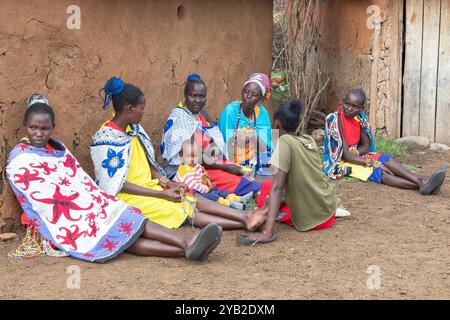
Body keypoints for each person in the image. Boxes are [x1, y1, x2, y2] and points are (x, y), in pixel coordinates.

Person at [5, 95, 223, 262]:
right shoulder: (19, 158)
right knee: (116, 237)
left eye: (44, 128)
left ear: (53, 129)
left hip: (89, 202)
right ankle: (185, 246)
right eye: (33, 127)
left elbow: (79, 180)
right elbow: (37, 195)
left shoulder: (59, 150)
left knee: (127, 215)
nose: (39, 133)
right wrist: (78, 205)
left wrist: (92, 200)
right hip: (67, 216)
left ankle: (187, 243)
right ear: (26, 126)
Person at [91, 77, 268, 233]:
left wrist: (168, 183)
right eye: (141, 109)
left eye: (201, 96)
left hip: (153, 185)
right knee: (185, 208)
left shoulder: (134, 130)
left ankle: (245, 216)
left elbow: (151, 166)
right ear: (129, 109)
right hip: (130, 194)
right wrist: (162, 193)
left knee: (191, 197)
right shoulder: (106, 138)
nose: (143, 113)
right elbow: (115, 184)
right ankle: (244, 220)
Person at [238, 100, 346, 245]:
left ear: (276, 124)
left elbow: (277, 188)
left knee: (266, 193)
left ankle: (262, 216)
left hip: (315, 219)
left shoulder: (285, 142)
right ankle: (263, 212)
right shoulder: (308, 139)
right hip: (327, 208)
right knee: (267, 187)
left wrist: (267, 232)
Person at [323, 88, 446, 195]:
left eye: (354, 106)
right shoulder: (335, 120)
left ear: (361, 108)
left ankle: (423, 181)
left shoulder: (360, 119)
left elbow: (366, 147)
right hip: (340, 161)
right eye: (347, 104)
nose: (349, 108)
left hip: (355, 154)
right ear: (343, 102)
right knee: (379, 172)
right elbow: (345, 155)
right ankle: (422, 184)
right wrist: (373, 163)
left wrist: (361, 155)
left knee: (387, 160)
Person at [161, 73, 262, 197]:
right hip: (181, 169)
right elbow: (191, 156)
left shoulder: (194, 114)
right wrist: (223, 166)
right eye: (194, 96)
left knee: (236, 169)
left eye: (202, 97)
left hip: (201, 163)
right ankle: (254, 191)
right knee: (227, 176)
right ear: (186, 96)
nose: (198, 100)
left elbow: (210, 137)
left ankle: (249, 189)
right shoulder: (180, 118)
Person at [173, 138, 254, 211]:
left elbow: (201, 176)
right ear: (181, 155)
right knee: (213, 197)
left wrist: (206, 179)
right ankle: (231, 205)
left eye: (195, 156)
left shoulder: (195, 165)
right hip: (193, 194)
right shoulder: (185, 171)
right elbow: (194, 186)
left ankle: (239, 199)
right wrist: (206, 187)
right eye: (188, 156)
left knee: (219, 191)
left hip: (202, 190)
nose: (192, 159)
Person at [219, 73, 273, 178]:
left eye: (254, 94)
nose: (248, 97)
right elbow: (227, 145)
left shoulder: (262, 113)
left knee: (269, 160)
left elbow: (266, 146)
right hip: (233, 159)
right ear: (242, 92)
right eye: (246, 92)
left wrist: (252, 137)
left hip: (255, 158)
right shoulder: (230, 111)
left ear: (260, 100)